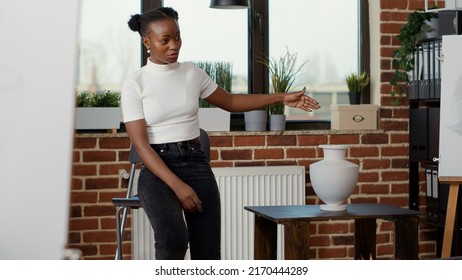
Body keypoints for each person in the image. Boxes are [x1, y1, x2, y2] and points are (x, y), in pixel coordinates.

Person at [121, 7, 320, 260]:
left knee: (208, 252)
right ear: (146, 42)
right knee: (173, 240)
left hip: (195, 162)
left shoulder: (191, 73)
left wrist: (282, 97)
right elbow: (141, 146)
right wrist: (179, 186)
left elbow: (232, 101)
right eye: (165, 40)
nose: (175, 45)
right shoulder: (135, 83)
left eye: (178, 37)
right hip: (158, 169)